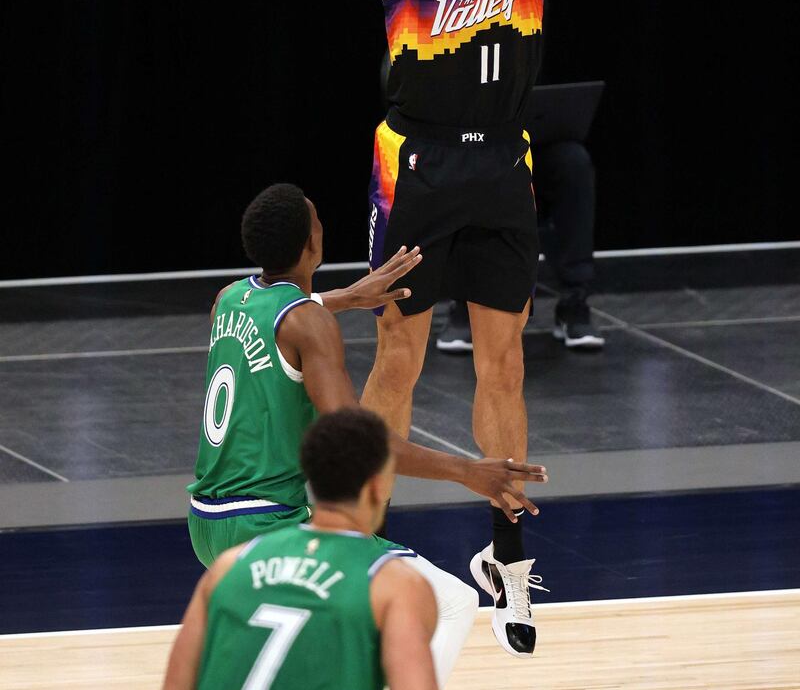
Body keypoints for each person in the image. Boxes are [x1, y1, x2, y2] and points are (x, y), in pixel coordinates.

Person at [353, 0, 550, 655]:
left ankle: (506, 561)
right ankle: (365, 544)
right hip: (419, 170)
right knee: (399, 357)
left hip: (500, 173)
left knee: (504, 364)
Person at [187, 182, 548, 683]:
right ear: (311, 244)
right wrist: (469, 472)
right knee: (452, 604)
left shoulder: (227, 300)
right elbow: (359, 448)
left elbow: (283, 315)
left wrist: (344, 298)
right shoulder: (310, 324)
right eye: (315, 218)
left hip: (205, 522)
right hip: (268, 523)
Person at [163, 408, 438, 690]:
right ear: (378, 487)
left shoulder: (228, 566)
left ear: (310, 477)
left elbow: (175, 685)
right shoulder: (395, 585)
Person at [438, 136, 603, 351]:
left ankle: (574, 301)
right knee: (471, 162)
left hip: (542, 145)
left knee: (574, 161)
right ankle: (465, 304)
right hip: (484, 142)